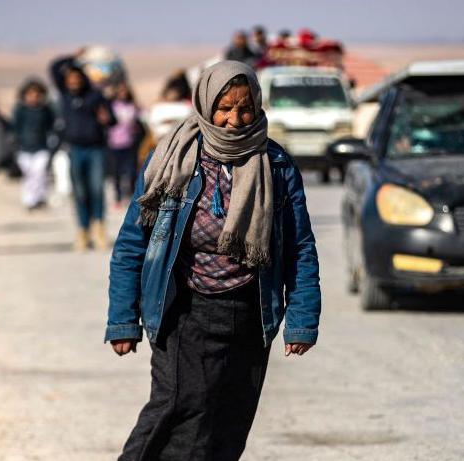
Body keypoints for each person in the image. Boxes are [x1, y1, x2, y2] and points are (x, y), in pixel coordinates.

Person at [106, 61, 321, 461]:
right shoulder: (172, 158)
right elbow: (132, 243)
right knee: (176, 406)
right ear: (204, 104)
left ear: (258, 107)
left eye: (244, 109)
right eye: (224, 107)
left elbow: (299, 247)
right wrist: (123, 319)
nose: (234, 119)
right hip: (184, 310)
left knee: (228, 419)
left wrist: (302, 321)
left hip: (249, 312)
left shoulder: (276, 165)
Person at [50, 52, 117, 250]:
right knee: (79, 192)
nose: (74, 82)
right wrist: (74, 58)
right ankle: (82, 230)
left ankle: (99, 228)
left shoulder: (95, 96)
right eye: (70, 79)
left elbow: (113, 120)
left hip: (95, 149)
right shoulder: (64, 95)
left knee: (96, 189)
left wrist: (107, 119)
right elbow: (54, 67)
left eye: (77, 78)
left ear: (83, 79)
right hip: (75, 149)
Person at [12, 79, 55, 210]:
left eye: (37, 95)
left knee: (39, 172)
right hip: (24, 148)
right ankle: (30, 199)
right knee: (29, 175)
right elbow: (14, 129)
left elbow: (52, 127)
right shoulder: (20, 111)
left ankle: (36, 199)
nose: (34, 97)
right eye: (31, 94)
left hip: (41, 147)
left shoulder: (46, 110)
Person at [106, 81, 141, 207]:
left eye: (125, 91)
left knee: (132, 171)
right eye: (120, 91)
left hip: (130, 143)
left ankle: (132, 195)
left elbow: (139, 121)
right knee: (117, 172)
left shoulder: (133, 106)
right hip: (114, 143)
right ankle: (118, 197)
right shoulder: (112, 106)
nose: (123, 94)